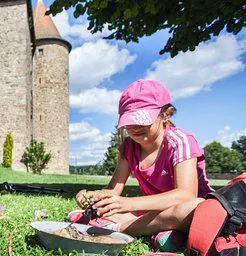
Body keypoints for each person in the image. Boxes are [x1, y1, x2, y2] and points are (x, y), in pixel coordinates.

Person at [69, 79, 213, 245]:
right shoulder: (128, 147)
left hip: (187, 210)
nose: (135, 127)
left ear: (166, 114)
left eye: (142, 120)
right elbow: (113, 190)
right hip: (153, 211)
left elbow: (186, 195)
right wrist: (92, 196)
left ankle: (121, 228)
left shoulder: (180, 141)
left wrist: (128, 203)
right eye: (129, 122)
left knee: (195, 208)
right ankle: (157, 232)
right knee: (109, 209)